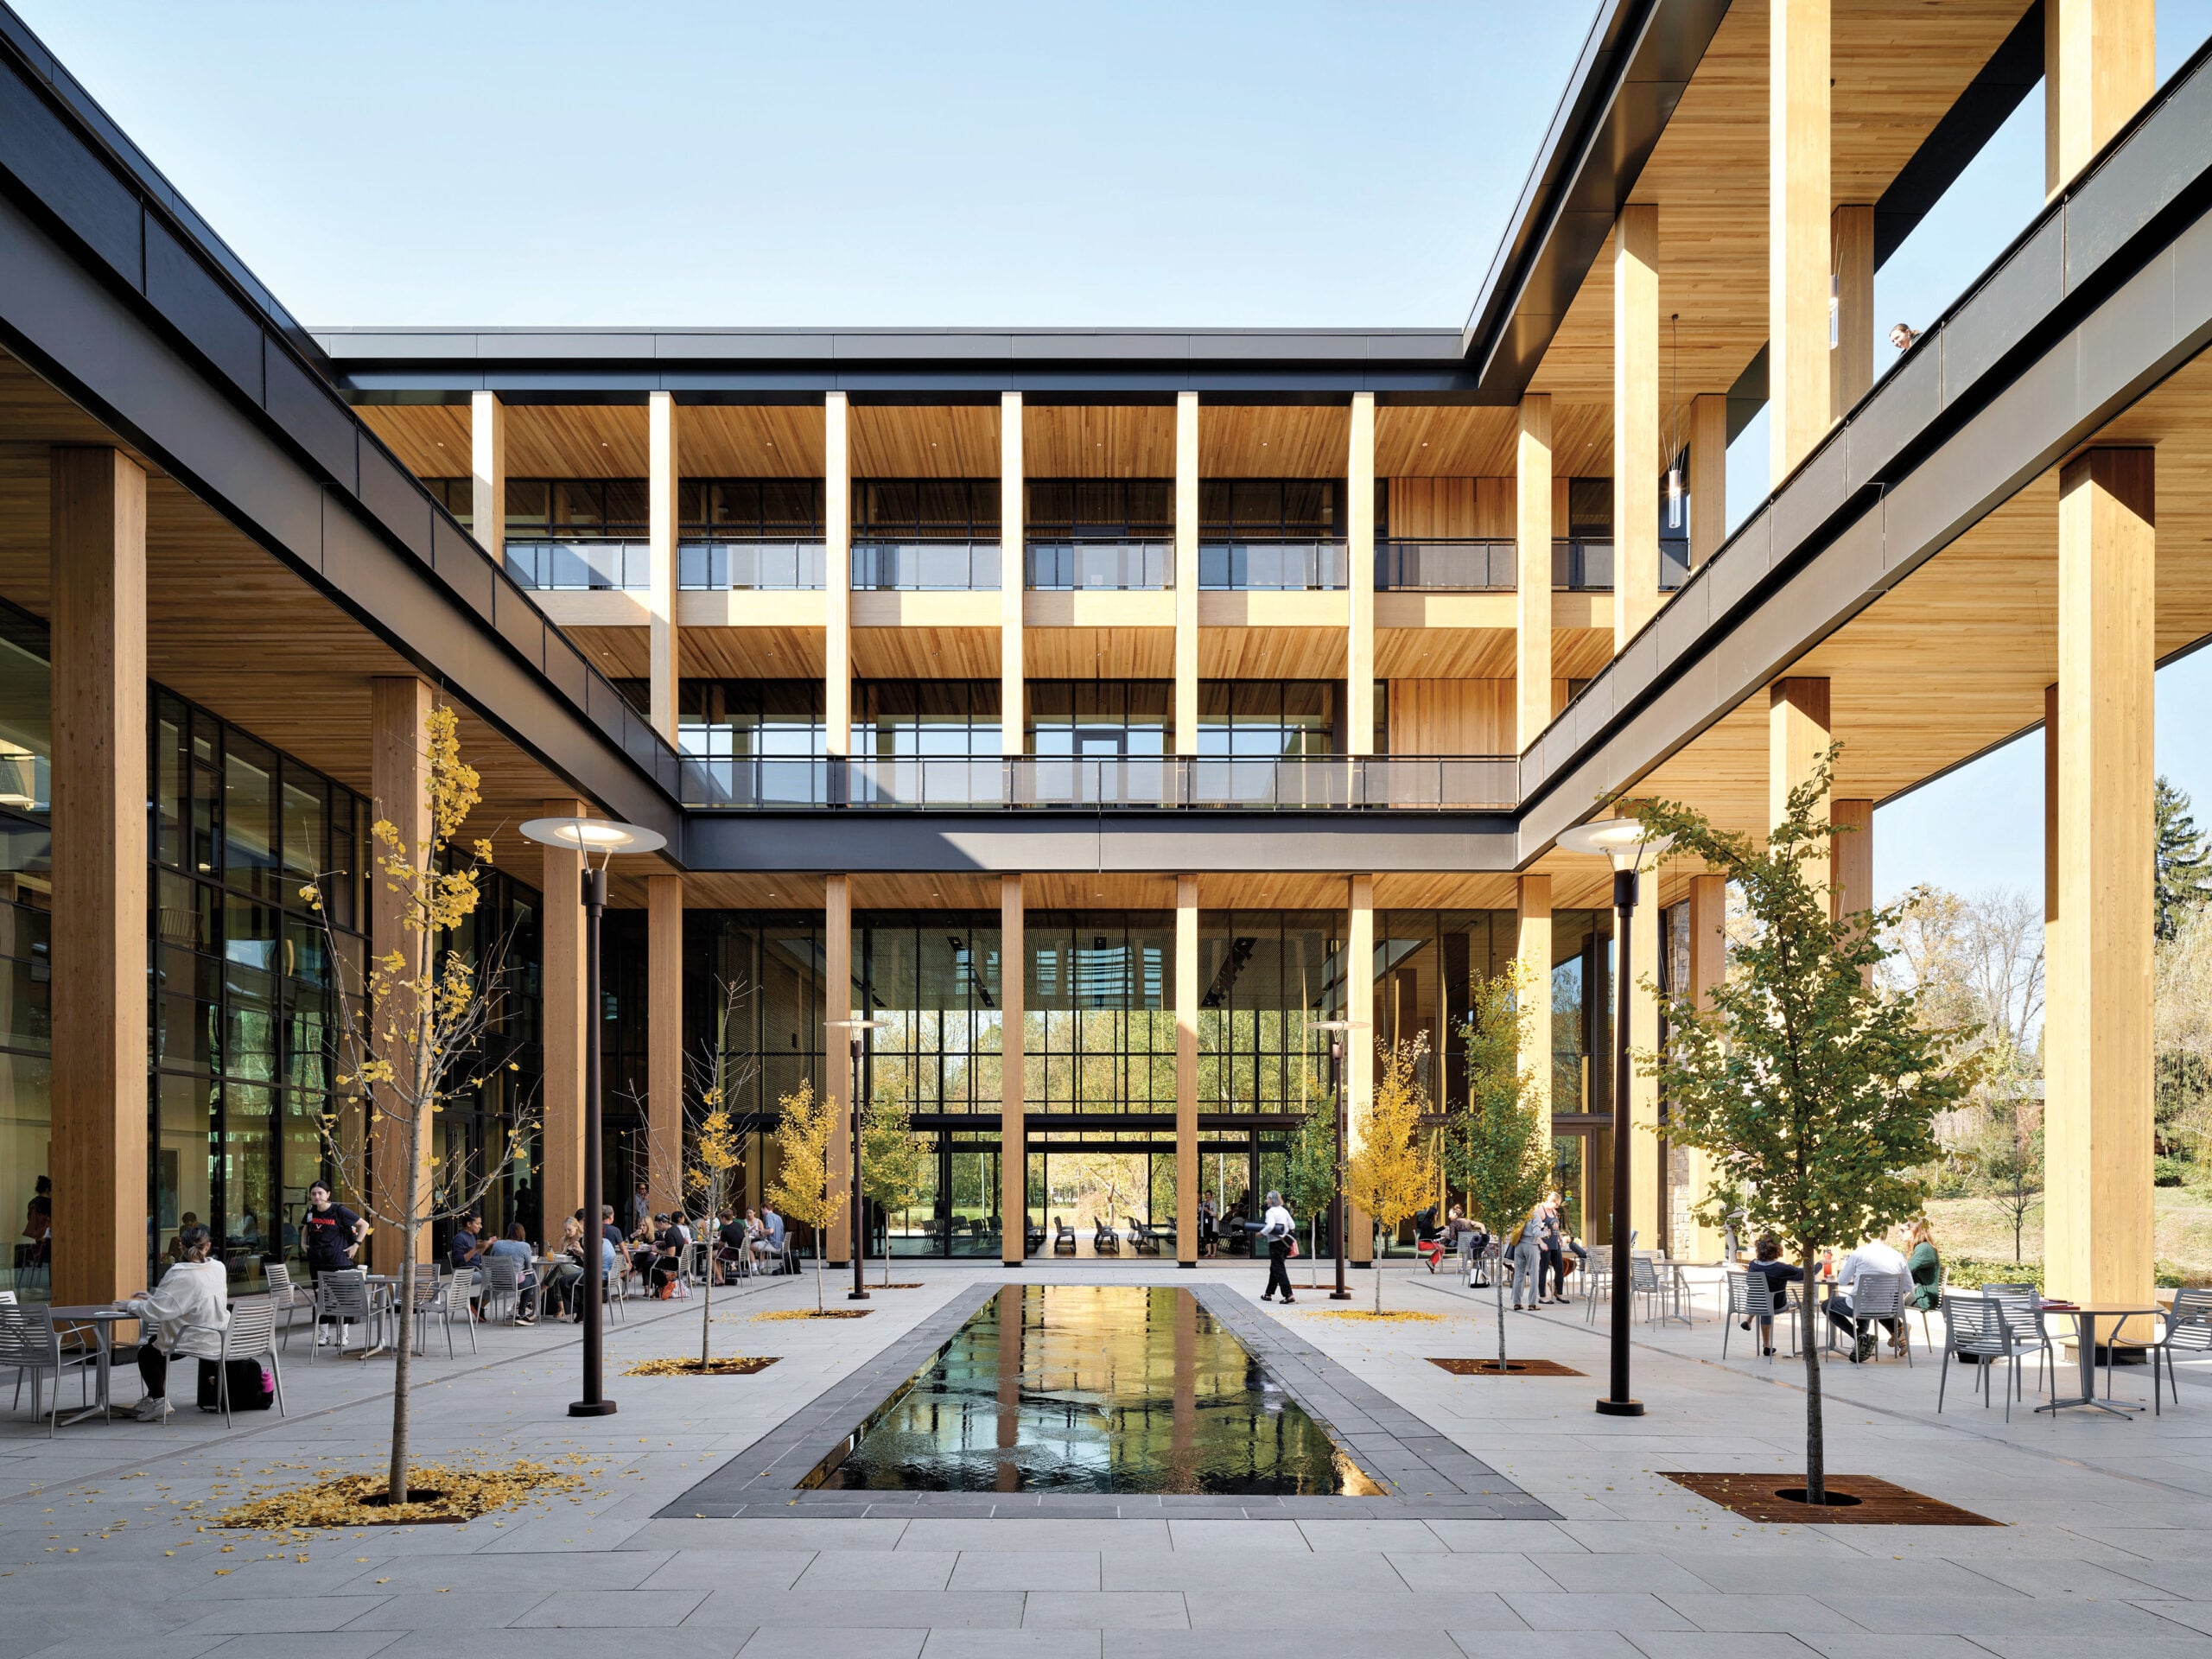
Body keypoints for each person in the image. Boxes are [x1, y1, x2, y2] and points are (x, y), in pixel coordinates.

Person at [119, 1223, 229, 1422]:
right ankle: (153, 1397)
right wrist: (155, 1299)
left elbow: (154, 1313)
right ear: (208, 1246)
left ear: (181, 1246)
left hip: (191, 1339)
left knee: (147, 1353)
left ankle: (160, 1401)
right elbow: (185, 1299)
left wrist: (129, 1306)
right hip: (218, 1336)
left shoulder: (179, 1273)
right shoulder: (218, 1267)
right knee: (156, 1343)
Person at [1827, 1230, 1911, 1361]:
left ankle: (1860, 1337)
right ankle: (1889, 1332)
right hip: (1887, 1310)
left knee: (1827, 1304)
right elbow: (1908, 1287)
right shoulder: (1898, 1256)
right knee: (1868, 1303)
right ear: (1886, 1234)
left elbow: (1842, 1281)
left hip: (1861, 1307)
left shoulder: (1859, 1253)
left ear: (1867, 1235)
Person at [299, 1180, 365, 1345]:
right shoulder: (311, 1211)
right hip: (317, 1261)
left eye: (321, 1193)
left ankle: (344, 1335)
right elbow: (306, 1228)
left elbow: (364, 1224)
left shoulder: (339, 1210)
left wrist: (356, 1245)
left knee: (343, 1299)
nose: (317, 1196)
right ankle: (324, 1334)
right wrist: (302, 1243)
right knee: (321, 1298)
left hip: (339, 1261)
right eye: (314, 1193)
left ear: (328, 1194)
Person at [1743, 1234, 1803, 1357]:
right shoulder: (1781, 1268)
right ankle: (1766, 1345)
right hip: (1776, 1305)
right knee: (1769, 1303)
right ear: (1777, 1250)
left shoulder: (1753, 1264)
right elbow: (1804, 1273)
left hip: (1753, 1303)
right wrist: (1821, 1263)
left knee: (1764, 1299)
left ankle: (1763, 1340)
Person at [483, 1222, 539, 1324]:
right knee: (533, 1278)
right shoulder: (524, 1246)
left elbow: (491, 1260)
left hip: (495, 1282)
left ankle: (522, 1310)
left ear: (508, 1232)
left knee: (529, 1276)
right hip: (514, 1283)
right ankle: (522, 1313)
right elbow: (528, 1267)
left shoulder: (497, 1244)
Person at [1257, 1189, 1296, 1304]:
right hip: (1285, 1243)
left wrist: (1261, 1233)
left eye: (1268, 1198)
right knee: (1274, 1267)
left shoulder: (1271, 1212)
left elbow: (1270, 1226)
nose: (1266, 1200)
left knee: (1278, 1269)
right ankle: (1268, 1293)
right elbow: (1292, 1225)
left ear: (1272, 1200)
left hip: (1275, 1243)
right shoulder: (1284, 1211)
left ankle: (1288, 1295)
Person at [543, 1216, 586, 1317]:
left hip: (581, 1269)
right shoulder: (564, 1240)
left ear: (576, 1227)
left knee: (560, 1268)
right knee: (559, 1275)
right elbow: (563, 1254)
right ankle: (561, 1309)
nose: (567, 1232)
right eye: (565, 1230)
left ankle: (541, 1291)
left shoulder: (583, 1239)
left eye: (569, 1229)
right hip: (567, 1267)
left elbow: (589, 1258)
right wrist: (554, 1254)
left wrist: (581, 1250)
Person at [1510, 1200, 1548, 1310]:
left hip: (1518, 1245)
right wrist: (1547, 1233)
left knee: (1518, 1275)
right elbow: (1536, 1233)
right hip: (1531, 1245)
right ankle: (1532, 1304)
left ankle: (1517, 1303)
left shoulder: (1520, 1214)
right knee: (1534, 1274)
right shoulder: (1535, 1215)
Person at [449, 1212, 487, 1277]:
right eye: (478, 1224)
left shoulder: (472, 1236)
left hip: (475, 1270)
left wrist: (486, 1245)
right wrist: (476, 1248)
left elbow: (476, 1257)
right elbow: (459, 1262)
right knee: (492, 1275)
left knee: (494, 1272)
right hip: (465, 1274)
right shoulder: (460, 1238)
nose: (481, 1226)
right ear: (469, 1224)